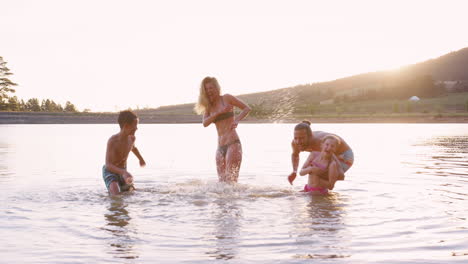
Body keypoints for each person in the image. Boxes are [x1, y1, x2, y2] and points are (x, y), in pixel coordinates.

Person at [194, 76, 251, 183]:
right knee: (222, 183)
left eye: (211, 88)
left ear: (216, 88)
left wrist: (237, 120)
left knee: (231, 181)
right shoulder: (209, 106)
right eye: (206, 89)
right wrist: (219, 112)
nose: (209, 91)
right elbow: (205, 123)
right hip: (220, 147)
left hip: (233, 143)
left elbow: (247, 108)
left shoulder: (226, 98)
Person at [288, 121, 353, 188]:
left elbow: (336, 171)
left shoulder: (320, 142)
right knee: (313, 171)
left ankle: (320, 194)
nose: (298, 142)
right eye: (296, 138)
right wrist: (294, 171)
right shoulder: (295, 143)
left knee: (317, 173)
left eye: (302, 138)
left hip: (345, 156)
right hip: (330, 155)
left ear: (310, 136)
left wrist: (339, 171)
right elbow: (295, 155)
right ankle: (314, 194)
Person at [102, 110, 146, 195]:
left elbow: (133, 148)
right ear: (126, 126)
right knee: (115, 192)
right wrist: (124, 173)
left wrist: (140, 159)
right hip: (110, 171)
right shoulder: (113, 141)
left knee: (131, 192)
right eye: (135, 125)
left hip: (123, 171)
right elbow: (108, 165)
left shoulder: (132, 138)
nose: (137, 128)